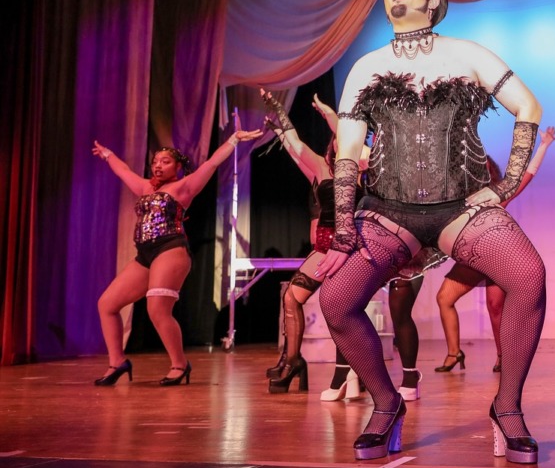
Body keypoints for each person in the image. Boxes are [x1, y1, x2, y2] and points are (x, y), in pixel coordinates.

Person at [316, 0, 546, 464]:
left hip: (461, 207)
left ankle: (507, 408)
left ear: (434, 0)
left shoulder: (468, 54)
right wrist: (343, 225)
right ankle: (386, 404)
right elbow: (349, 151)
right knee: (335, 299)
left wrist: (506, 185)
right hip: (388, 209)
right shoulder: (366, 66)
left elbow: (528, 107)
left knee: (528, 275)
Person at [92, 127, 262, 386]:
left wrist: (233, 140)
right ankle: (118, 362)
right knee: (107, 304)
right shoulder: (145, 187)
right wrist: (108, 155)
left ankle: (180, 364)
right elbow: (123, 171)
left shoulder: (184, 186)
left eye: (165, 162)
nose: (158, 166)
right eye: (155, 162)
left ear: (178, 167)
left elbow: (212, 163)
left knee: (157, 309)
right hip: (145, 254)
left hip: (170, 249)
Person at [260, 88, 366, 398]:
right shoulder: (321, 167)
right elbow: (294, 142)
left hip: (349, 248)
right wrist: (278, 109)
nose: (338, 144)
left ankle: (350, 373)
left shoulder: (362, 169)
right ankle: (293, 360)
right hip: (323, 248)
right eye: (335, 141)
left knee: (341, 309)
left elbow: (354, 143)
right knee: (291, 297)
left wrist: (330, 114)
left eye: (343, 140)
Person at [434, 127, 555, 375]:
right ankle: (454, 353)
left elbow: (526, 175)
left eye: (484, 169)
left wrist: (544, 145)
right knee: (444, 298)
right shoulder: (462, 197)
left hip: (498, 255)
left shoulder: (498, 194)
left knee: (495, 306)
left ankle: (503, 356)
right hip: (472, 256)